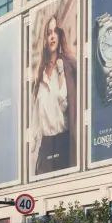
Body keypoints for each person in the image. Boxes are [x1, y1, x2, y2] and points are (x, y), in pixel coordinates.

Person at [31, 13, 77, 175]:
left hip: (64, 142)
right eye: (48, 33)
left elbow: (65, 103)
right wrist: (32, 141)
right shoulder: (40, 74)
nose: (52, 36)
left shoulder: (68, 66)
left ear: (59, 35)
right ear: (45, 38)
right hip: (45, 145)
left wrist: (61, 72)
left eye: (55, 32)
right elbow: (36, 114)